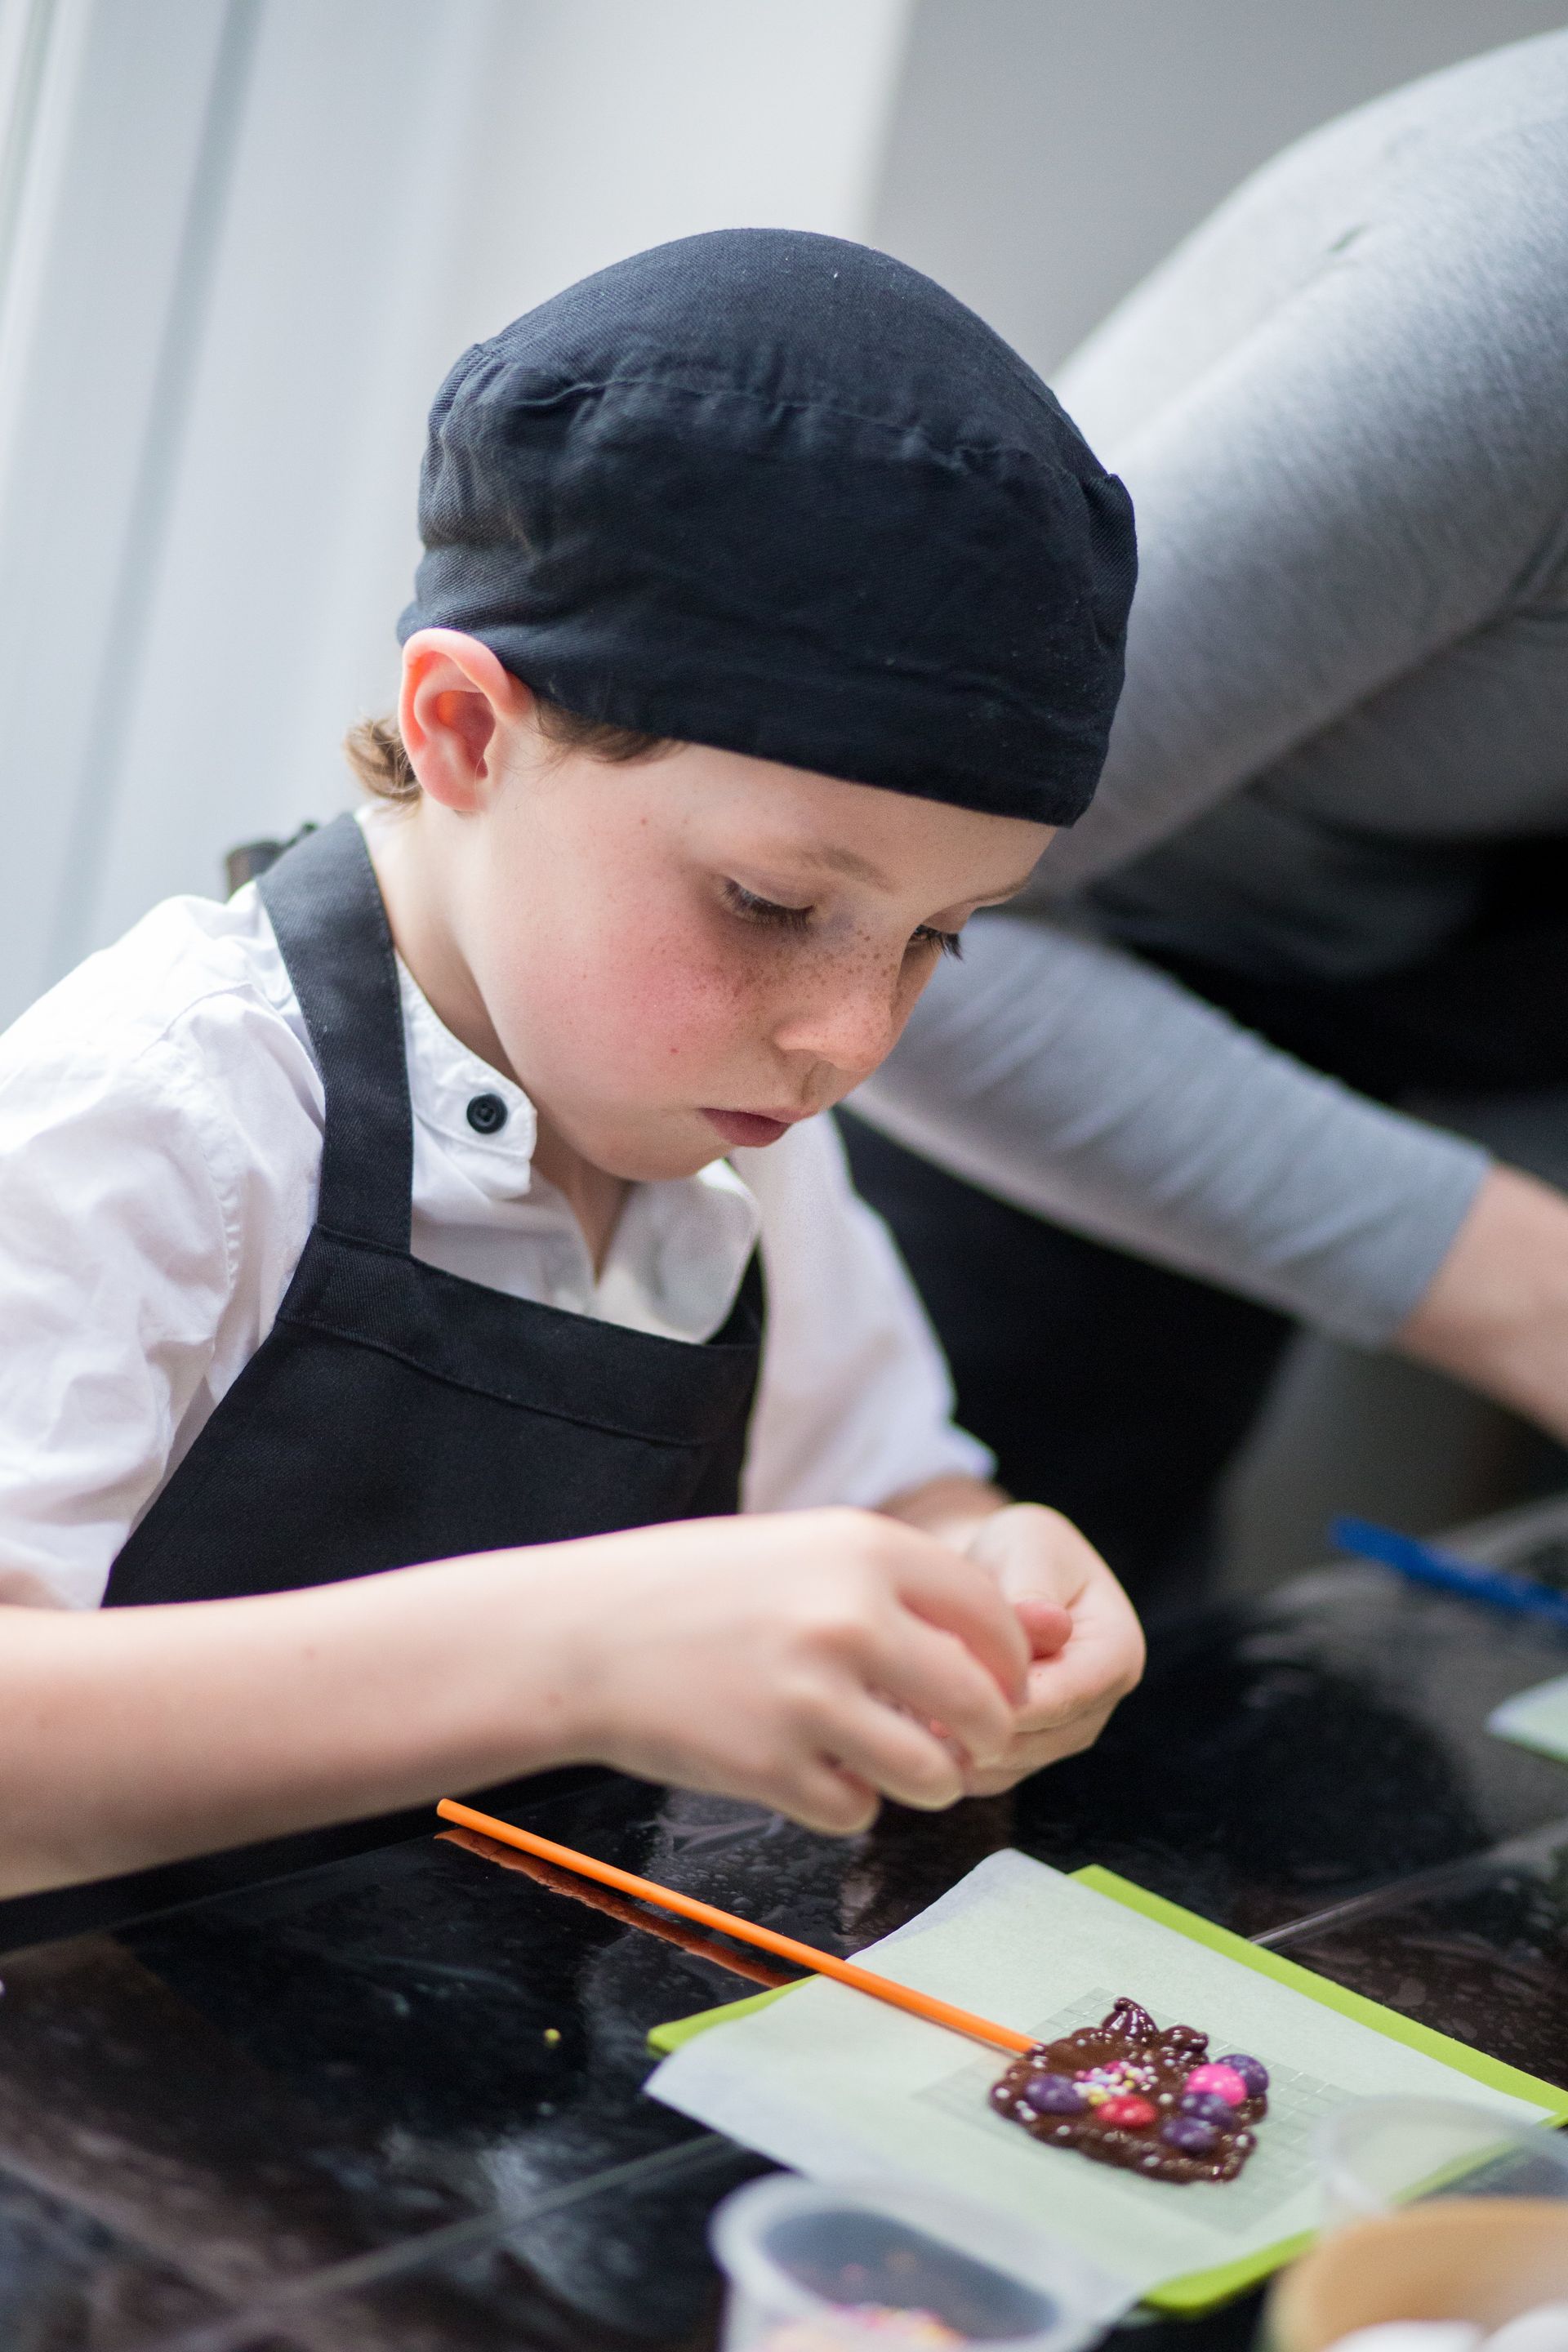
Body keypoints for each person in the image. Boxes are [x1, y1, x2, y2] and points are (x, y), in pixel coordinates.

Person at [0, 229, 1144, 1897]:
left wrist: (989, 1564)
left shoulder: (737, 1130)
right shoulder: (163, 1115)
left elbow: (889, 1487)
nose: (850, 1039)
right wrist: (578, 1656)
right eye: (769, 904)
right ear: (466, 732)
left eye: (936, 937)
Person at [844, 29, 1568, 1598]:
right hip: (1034, 1036)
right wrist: (1529, 1293)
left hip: (1400, 980)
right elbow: (867, 937)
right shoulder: (1523, 312)